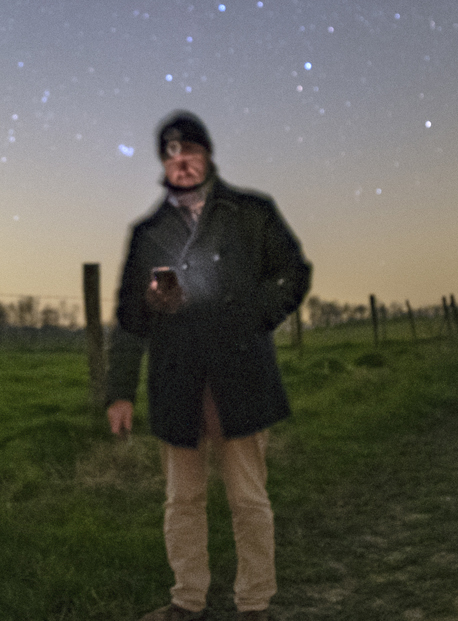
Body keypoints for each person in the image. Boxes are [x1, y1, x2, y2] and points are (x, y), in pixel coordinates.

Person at [106, 110, 311, 621]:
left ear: (208, 154)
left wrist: (256, 315)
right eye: (171, 155)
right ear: (163, 164)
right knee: (182, 503)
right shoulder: (147, 232)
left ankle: (255, 603)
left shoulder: (251, 212)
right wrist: (121, 391)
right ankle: (187, 600)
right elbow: (129, 320)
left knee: (247, 497)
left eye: (190, 151)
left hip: (240, 373)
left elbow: (294, 273)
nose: (182, 162)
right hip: (178, 381)